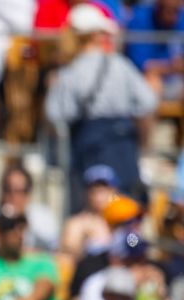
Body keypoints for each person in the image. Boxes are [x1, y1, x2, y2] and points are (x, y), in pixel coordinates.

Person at [44, 3, 157, 212]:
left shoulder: (71, 73)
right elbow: (147, 102)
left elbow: (55, 114)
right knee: (125, 213)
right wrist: (142, 146)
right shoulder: (120, 65)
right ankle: (130, 244)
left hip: (88, 153)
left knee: (92, 215)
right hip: (122, 151)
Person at [0, 165, 59, 255]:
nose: (12, 196)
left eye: (18, 191)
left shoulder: (43, 218)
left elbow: (53, 252)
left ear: (28, 193)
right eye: (7, 189)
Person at [126, 0, 184, 111]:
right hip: (146, 81)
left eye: (176, 11)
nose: (174, 16)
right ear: (158, 7)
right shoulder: (140, 19)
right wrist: (171, 67)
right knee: (152, 85)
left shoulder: (181, 19)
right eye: (169, 11)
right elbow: (141, 65)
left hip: (177, 80)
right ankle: (151, 128)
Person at [60, 164, 118, 260]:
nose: (99, 197)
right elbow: (66, 256)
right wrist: (84, 245)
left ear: (114, 191)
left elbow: (135, 244)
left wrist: (128, 236)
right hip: (90, 271)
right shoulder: (77, 224)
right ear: (86, 193)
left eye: (103, 191)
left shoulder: (126, 218)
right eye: (94, 191)